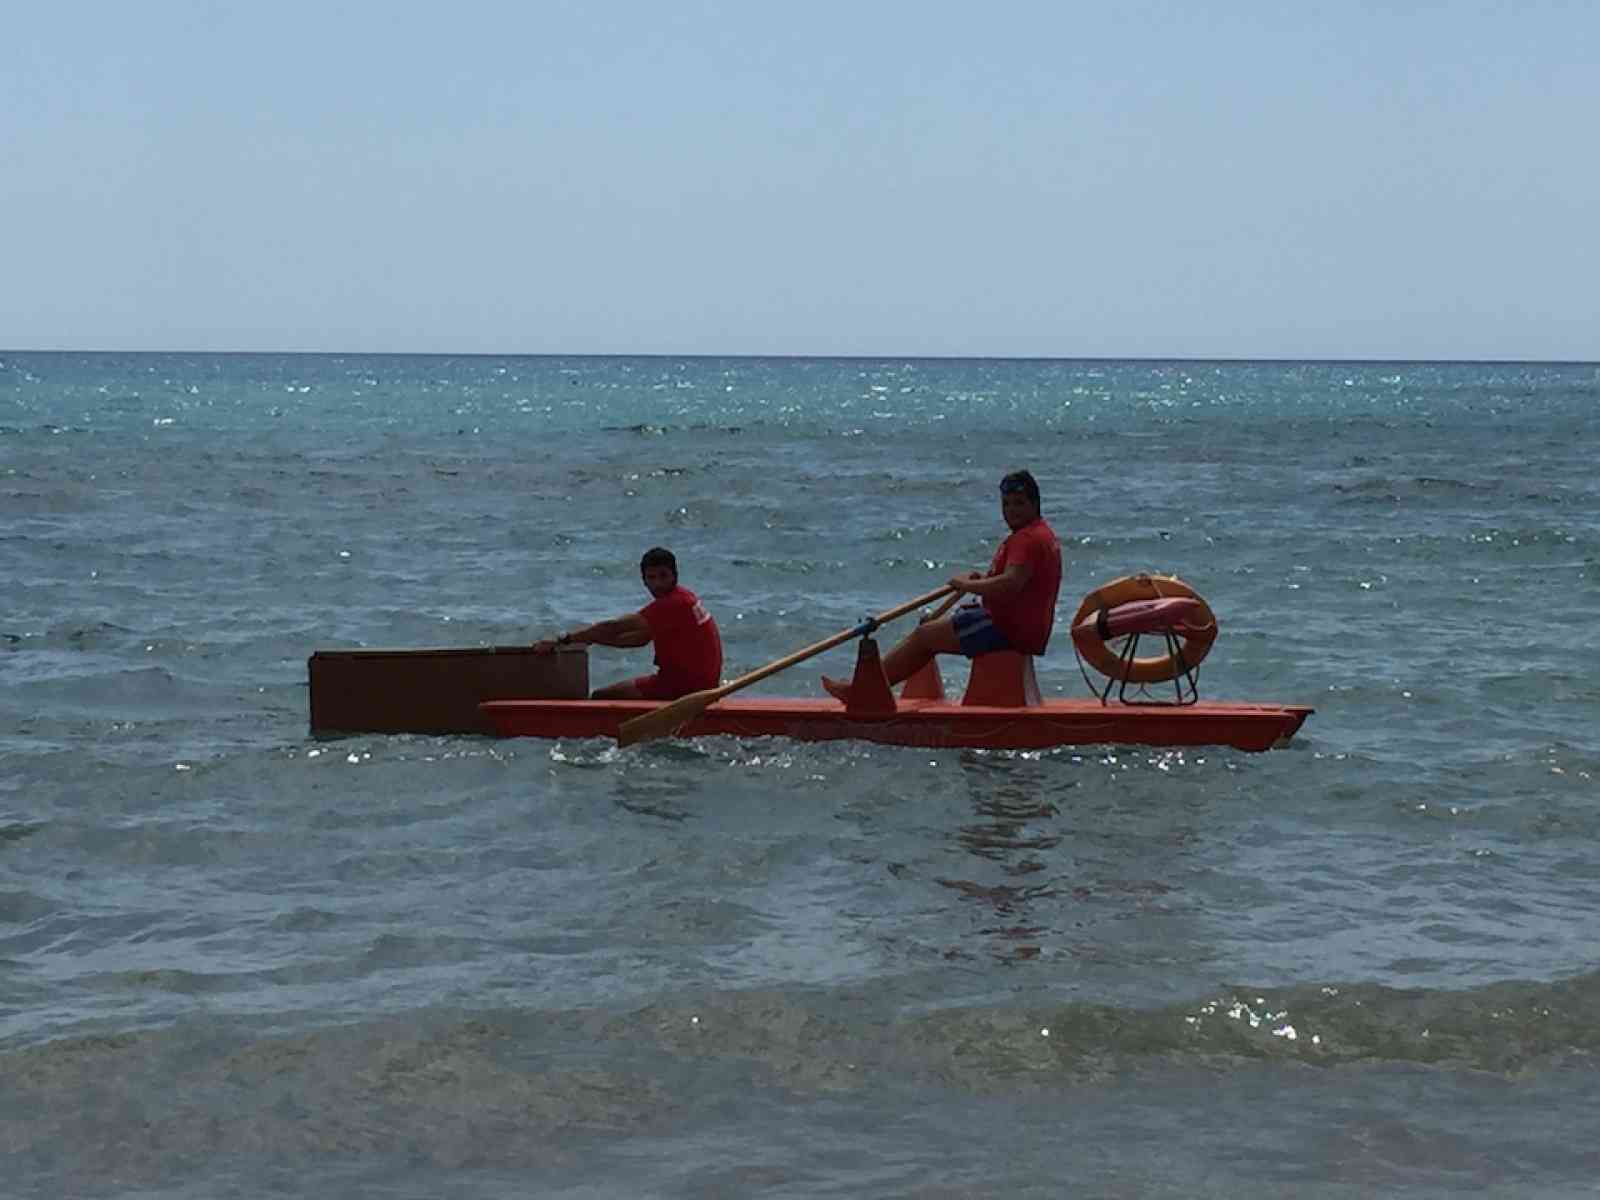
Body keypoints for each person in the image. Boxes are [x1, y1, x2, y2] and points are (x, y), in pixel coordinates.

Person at [822, 470, 1062, 701]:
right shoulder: (1042, 533)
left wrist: (967, 585)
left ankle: (863, 692)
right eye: (1006, 504)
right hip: (1024, 627)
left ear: (1035, 504)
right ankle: (869, 685)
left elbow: (1011, 584)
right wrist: (981, 582)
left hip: (1009, 630)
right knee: (930, 627)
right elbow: (1020, 584)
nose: (1011, 511)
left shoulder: (1026, 539)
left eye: (1019, 503)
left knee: (925, 636)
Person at [533, 547, 723, 700]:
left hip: (683, 689)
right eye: (651, 578)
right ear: (644, 581)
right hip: (701, 685)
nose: (657, 584)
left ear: (675, 575)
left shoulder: (673, 604)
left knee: (601, 697)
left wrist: (563, 639)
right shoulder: (684, 597)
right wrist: (593, 639)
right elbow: (639, 639)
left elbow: (615, 626)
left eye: (663, 576)